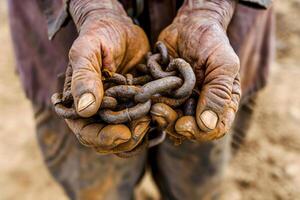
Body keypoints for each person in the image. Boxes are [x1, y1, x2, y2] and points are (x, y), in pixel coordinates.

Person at [8, 0, 273, 199]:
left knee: (197, 183)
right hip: (82, 41)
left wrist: (209, 8)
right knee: (97, 187)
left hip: (210, 50)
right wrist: (93, 8)